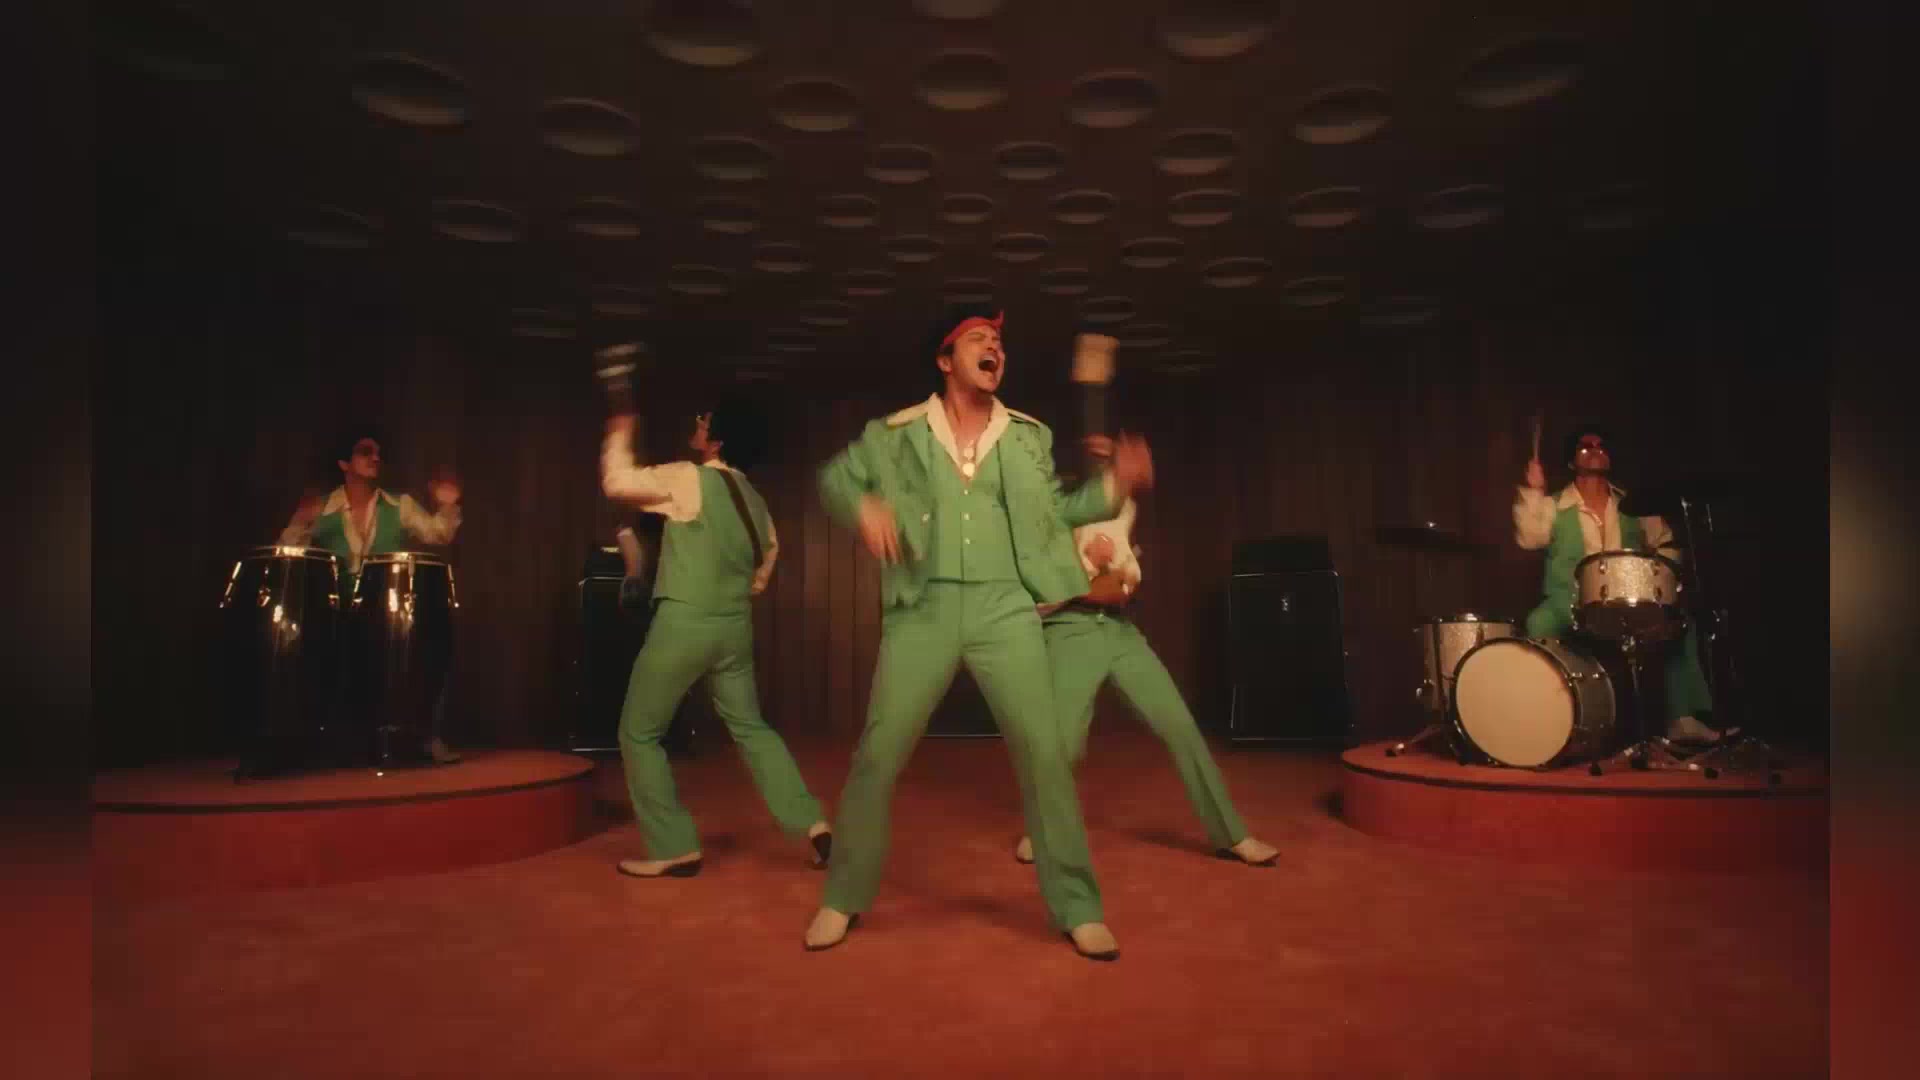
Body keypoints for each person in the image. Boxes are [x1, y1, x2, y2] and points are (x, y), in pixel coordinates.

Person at [804, 306, 1153, 961]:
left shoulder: (1027, 437)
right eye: (978, 338)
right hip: (923, 609)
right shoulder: (895, 434)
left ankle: (1078, 907)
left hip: (1005, 610)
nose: (994, 346)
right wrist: (864, 505)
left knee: (1044, 754)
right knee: (878, 754)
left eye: (998, 340)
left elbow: (1057, 512)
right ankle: (842, 895)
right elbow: (833, 480)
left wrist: (1115, 486)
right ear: (946, 360)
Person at [1014, 435, 1280, 868]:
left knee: (1180, 726)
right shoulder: (1049, 517)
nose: (1111, 467)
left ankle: (1232, 835)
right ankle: (1042, 832)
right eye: (1102, 461)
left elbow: (1126, 578)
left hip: (1121, 633)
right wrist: (1088, 575)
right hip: (1070, 633)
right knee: (1063, 744)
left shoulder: (1123, 511)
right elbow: (1040, 596)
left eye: (1112, 460)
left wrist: (1119, 579)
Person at [601, 389, 832, 879]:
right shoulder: (757, 504)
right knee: (751, 727)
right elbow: (761, 573)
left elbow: (617, 482)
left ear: (717, 440)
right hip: (734, 631)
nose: (697, 423)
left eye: (704, 420)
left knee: (638, 732)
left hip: (684, 623)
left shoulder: (689, 478)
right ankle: (812, 823)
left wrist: (620, 429)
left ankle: (674, 847)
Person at [1513, 424, 1722, 743]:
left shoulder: (1633, 506)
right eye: (1586, 446)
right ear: (1571, 461)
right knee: (1538, 623)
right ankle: (1548, 721)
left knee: (1679, 622)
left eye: (1601, 446)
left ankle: (1682, 719)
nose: (1595, 450)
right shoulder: (1554, 505)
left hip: (1627, 602)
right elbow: (1530, 538)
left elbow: (1667, 544)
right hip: (1568, 602)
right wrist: (1534, 491)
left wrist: (1659, 578)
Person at [279, 426, 464, 765]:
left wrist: (448, 505)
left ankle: (424, 736)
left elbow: (438, 533)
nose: (375, 458)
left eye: (378, 453)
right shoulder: (324, 508)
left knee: (429, 635)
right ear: (343, 463)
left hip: (383, 614)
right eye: (365, 452)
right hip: (335, 613)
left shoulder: (399, 505)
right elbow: (288, 550)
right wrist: (299, 521)